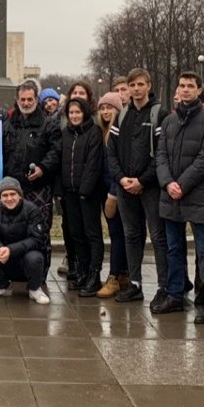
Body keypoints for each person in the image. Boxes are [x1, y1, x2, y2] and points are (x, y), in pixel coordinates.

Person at [153, 71, 204, 322]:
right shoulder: (170, 121)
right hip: (171, 194)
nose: (185, 90)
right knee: (173, 248)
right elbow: (160, 155)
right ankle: (175, 294)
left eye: (190, 86)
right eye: (181, 85)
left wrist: (181, 184)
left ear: (198, 90)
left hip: (198, 195)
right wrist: (167, 182)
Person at [106, 68, 170, 308]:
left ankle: (164, 286)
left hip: (150, 188)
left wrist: (142, 180)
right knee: (131, 235)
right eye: (132, 85)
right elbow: (111, 151)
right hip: (125, 187)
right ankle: (135, 284)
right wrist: (122, 179)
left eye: (140, 84)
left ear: (149, 85)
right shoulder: (122, 115)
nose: (136, 89)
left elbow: (162, 153)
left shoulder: (158, 113)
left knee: (157, 237)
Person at [1, 82, 61, 254]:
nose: (26, 103)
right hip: (13, 188)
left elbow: (56, 150)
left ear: (36, 100)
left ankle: (40, 275)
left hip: (38, 188)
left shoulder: (49, 124)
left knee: (39, 231)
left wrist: (43, 168)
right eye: (23, 99)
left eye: (30, 99)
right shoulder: (8, 124)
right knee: (12, 232)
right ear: (17, 100)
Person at [60, 97, 107, 297]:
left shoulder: (93, 132)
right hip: (69, 192)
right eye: (71, 113)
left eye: (78, 112)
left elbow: (93, 164)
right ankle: (83, 270)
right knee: (76, 234)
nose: (74, 116)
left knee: (92, 234)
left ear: (85, 113)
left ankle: (94, 275)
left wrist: (85, 191)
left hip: (87, 194)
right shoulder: (65, 134)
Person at [0, 177, 49, 304]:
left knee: (35, 258)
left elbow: (36, 240)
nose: (9, 198)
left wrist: (10, 250)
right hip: (3, 255)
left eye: (13, 194)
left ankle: (35, 289)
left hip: (25, 256)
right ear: (0, 198)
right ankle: (0, 286)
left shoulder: (32, 209)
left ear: (20, 196)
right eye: (4, 195)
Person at [95, 92, 129, 298]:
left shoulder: (119, 133)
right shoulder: (101, 131)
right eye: (102, 108)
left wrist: (113, 194)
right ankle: (122, 273)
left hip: (116, 192)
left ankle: (114, 277)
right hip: (105, 191)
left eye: (110, 108)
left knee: (118, 235)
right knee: (117, 233)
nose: (106, 111)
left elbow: (119, 167)